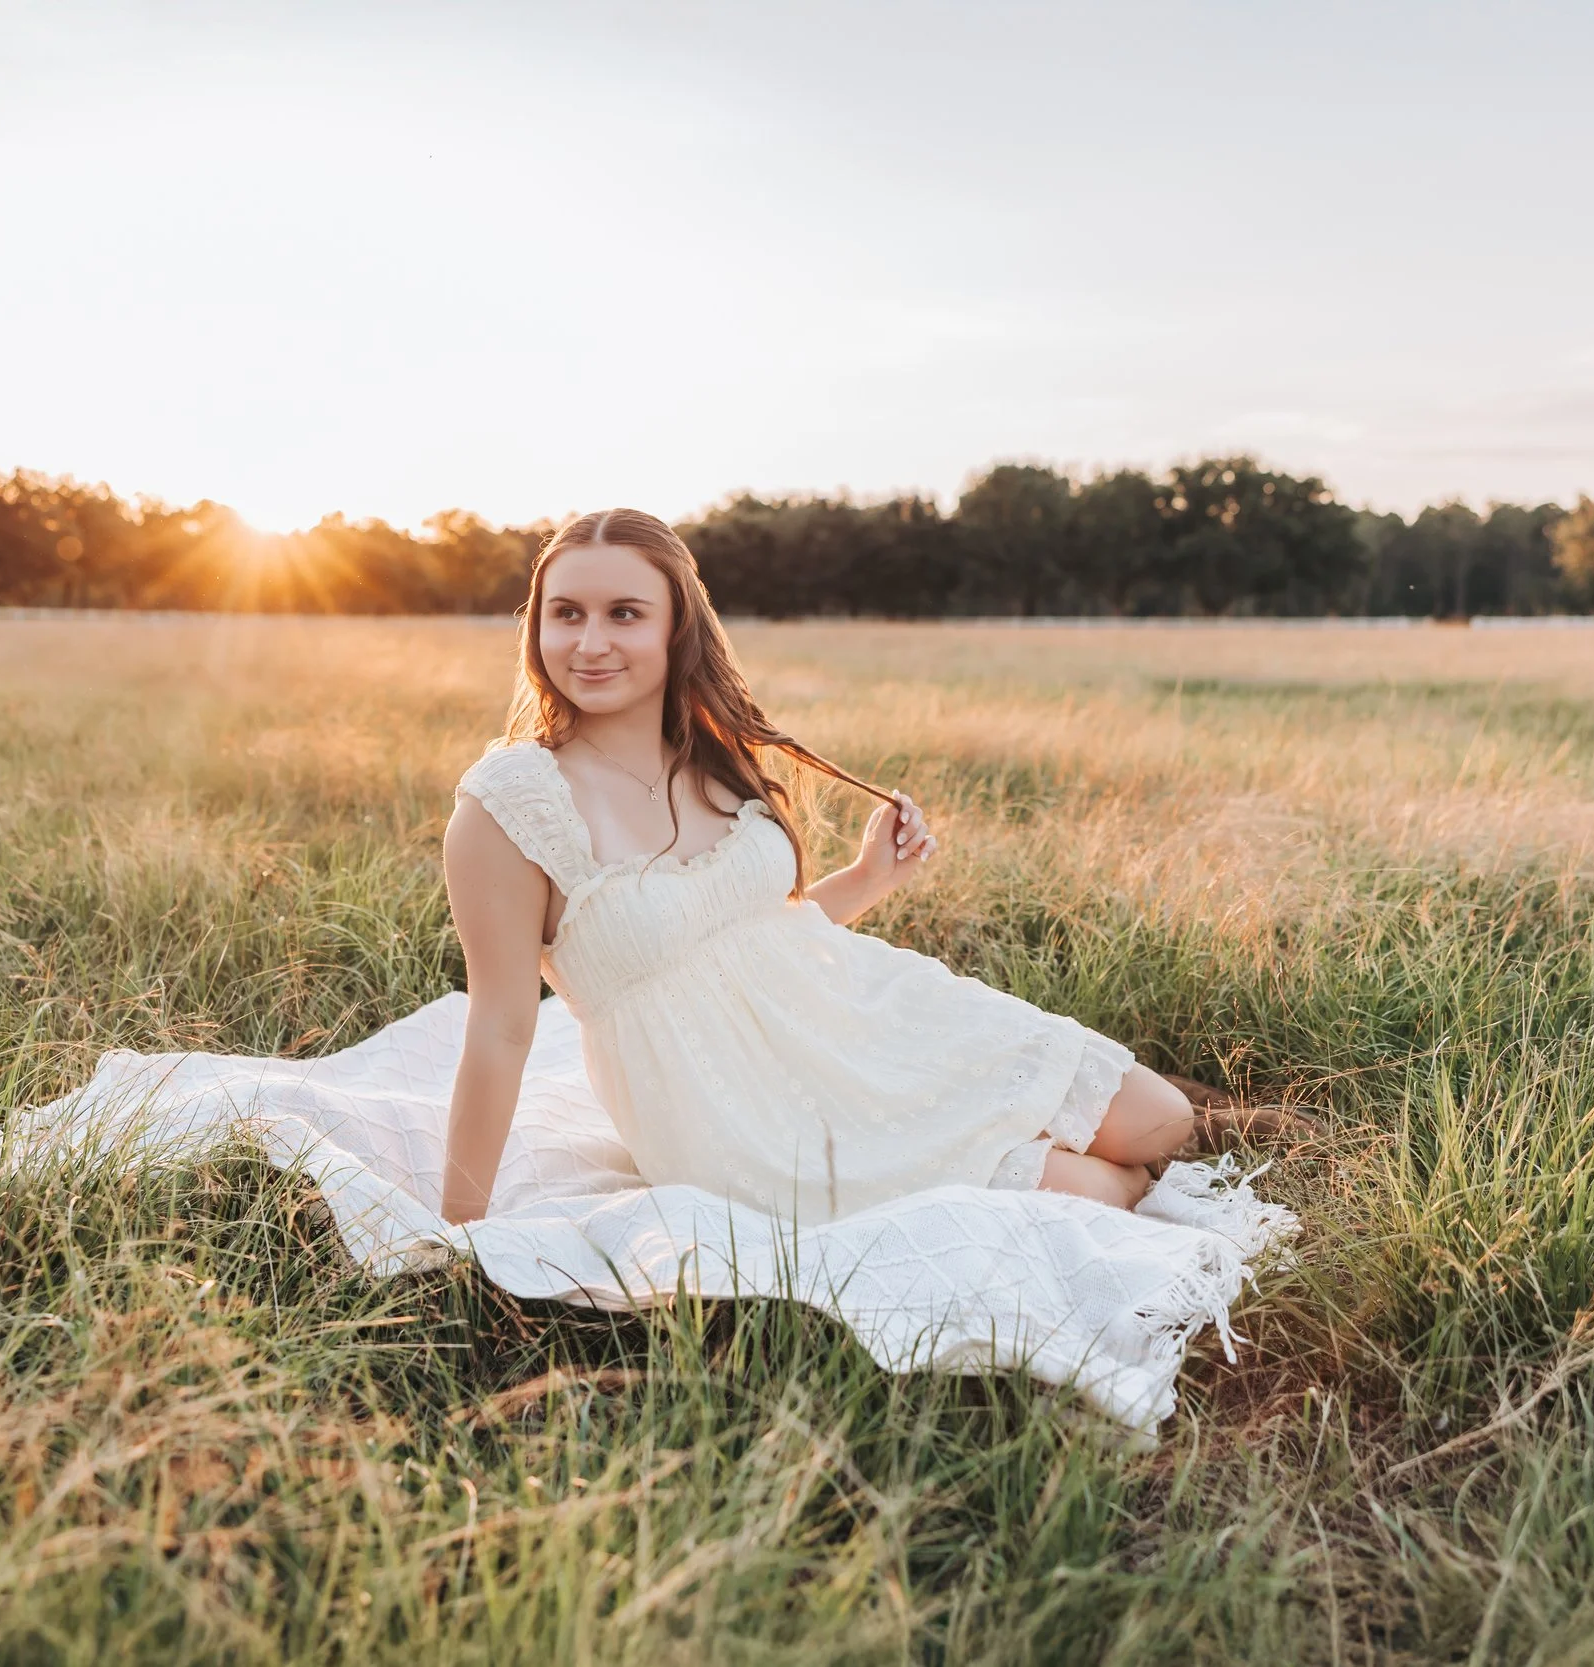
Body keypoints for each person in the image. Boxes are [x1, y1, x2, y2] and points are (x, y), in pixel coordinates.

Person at [440, 507, 1285, 1227]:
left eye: (625, 613)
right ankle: (1071, 1164)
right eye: (566, 614)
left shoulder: (710, 758)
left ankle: (1141, 1127)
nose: (590, 642)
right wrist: (461, 1230)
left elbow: (753, 940)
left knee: (1163, 1123)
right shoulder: (513, 802)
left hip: (853, 1015)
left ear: (674, 627)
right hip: (744, 1113)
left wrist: (867, 877)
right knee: (1098, 1191)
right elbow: (504, 1027)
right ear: (537, 626)